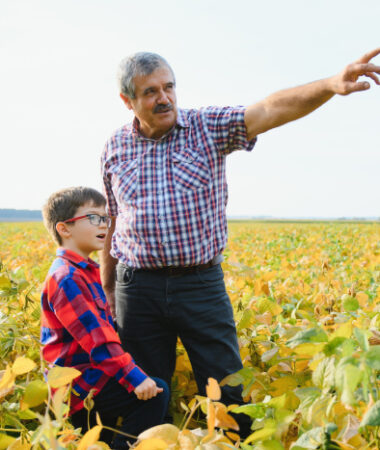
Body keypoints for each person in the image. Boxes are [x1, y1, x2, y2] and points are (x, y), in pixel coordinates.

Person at [100, 49, 380, 436]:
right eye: (150, 92)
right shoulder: (115, 146)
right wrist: (109, 287)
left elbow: (269, 109)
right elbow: (112, 221)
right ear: (127, 101)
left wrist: (330, 85)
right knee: (146, 395)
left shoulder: (206, 127)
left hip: (199, 285)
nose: (164, 98)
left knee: (228, 390)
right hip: (138, 288)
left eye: (168, 87)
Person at [40, 186, 169, 449]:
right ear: (65, 229)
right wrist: (135, 377)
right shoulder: (68, 278)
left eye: (105, 217)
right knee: (156, 392)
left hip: (91, 378)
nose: (104, 224)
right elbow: (99, 341)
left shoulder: (84, 271)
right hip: (79, 385)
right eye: (93, 218)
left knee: (96, 437)